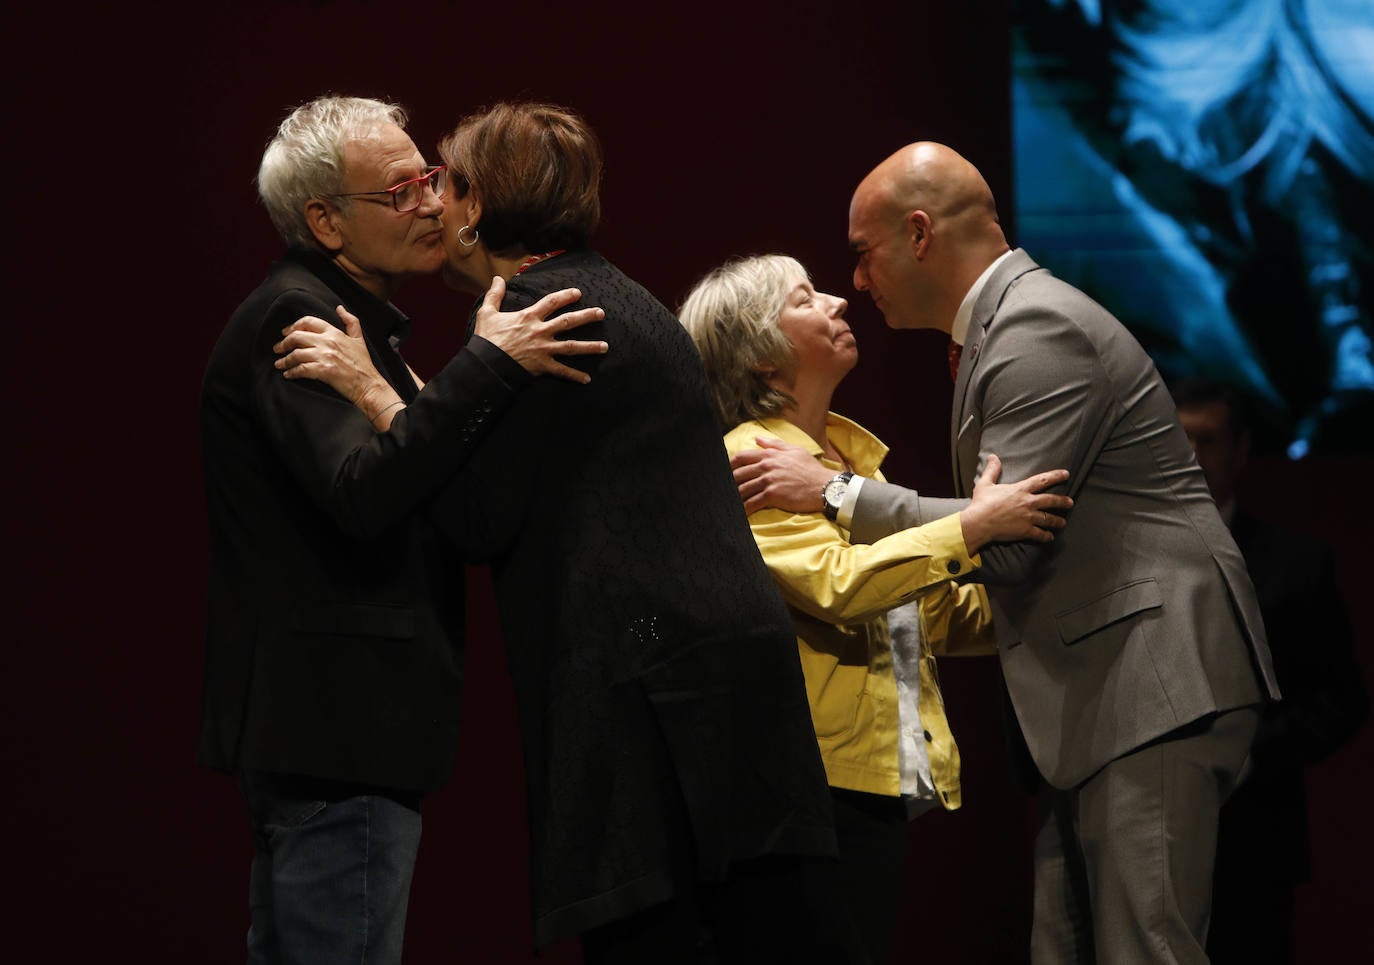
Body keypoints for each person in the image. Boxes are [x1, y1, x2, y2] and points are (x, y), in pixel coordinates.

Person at [274, 102, 846, 964]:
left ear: (475, 210)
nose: (431, 205)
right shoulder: (604, 291)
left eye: (443, 185)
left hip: (655, 693)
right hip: (712, 679)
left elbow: (473, 516)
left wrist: (380, 395)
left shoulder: (544, 319)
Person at [730, 142, 1281, 963]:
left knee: (1145, 950)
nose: (858, 283)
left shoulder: (1033, 327)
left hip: (1149, 681)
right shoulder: (999, 332)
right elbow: (980, 554)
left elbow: (1012, 544)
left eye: (861, 253)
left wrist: (838, 495)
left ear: (918, 234)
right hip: (1101, 699)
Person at [198, 94, 606, 965]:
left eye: (428, 178)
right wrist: (488, 365)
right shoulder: (301, 316)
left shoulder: (363, 325)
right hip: (336, 732)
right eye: (399, 192)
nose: (432, 203)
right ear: (325, 222)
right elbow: (362, 491)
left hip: (338, 731)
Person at [678, 253, 1074, 963]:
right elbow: (839, 585)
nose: (837, 300)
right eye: (805, 298)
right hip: (806, 783)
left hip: (863, 779)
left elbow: (931, 614)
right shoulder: (753, 457)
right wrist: (977, 525)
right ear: (763, 359)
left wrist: (1059, 606)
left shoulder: (849, 462)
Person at [1171, 378, 1369, 964]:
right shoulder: (1117, 559)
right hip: (1142, 838)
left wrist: (1253, 751)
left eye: (1206, 441)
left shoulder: (1297, 564)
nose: (1191, 459)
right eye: (1177, 440)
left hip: (1255, 840)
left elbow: (1341, 699)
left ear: (1241, 452)